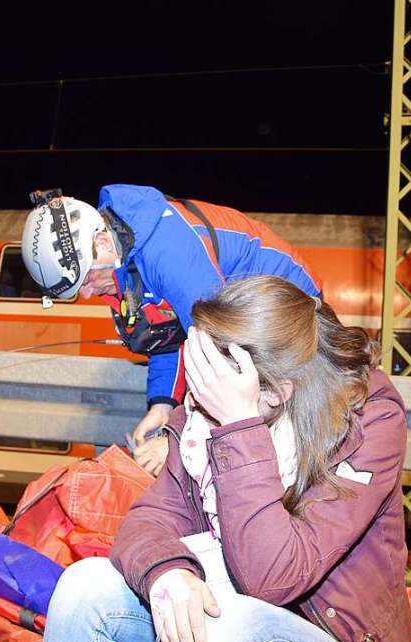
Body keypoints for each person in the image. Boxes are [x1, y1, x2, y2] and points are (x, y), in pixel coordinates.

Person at [30, 276, 411, 642]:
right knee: (85, 585)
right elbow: (152, 516)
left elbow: (272, 577)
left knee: (233, 630)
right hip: (239, 619)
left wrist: (238, 427)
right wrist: (168, 572)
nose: (194, 399)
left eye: (212, 383)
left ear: (277, 393)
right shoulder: (206, 414)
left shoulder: (366, 422)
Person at [20, 185, 319, 476]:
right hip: (245, 325)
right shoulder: (124, 262)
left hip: (292, 315)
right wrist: (162, 406)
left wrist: (176, 440)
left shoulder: (168, 251)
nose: (86, 295)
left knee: (270, 452)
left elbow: (219, 356)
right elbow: (166, 338)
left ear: (102, 244)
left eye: (85, 281)